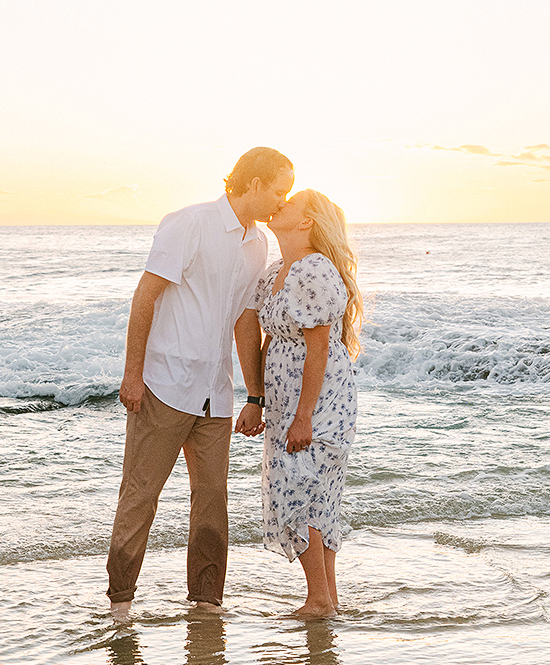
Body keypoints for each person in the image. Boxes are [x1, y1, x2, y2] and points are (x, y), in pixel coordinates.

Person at [106, 147, 294, 613]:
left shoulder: (258, 243)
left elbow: (246, 321)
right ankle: (120, 603)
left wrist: (255, 395)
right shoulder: (188, 223)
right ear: (253, 183)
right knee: (141, 495)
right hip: (165, 385)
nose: (282, 202)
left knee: (212, 503)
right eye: (278, 190)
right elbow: (145, 296)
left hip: (216, 393)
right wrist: (133, 375)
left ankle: (207, 604)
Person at [255, 191, 362, 618]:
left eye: (290, 203)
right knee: (315, 493)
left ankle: (318, 599)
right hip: (287, 403)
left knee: (299, 490)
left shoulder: (314, 268)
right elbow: (269, 339)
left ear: (306, 223)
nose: (278, 204)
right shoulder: (277, 272)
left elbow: (318, 349)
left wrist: (303, 418)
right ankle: (326, 599)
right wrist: (257, 400)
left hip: (318, 402)